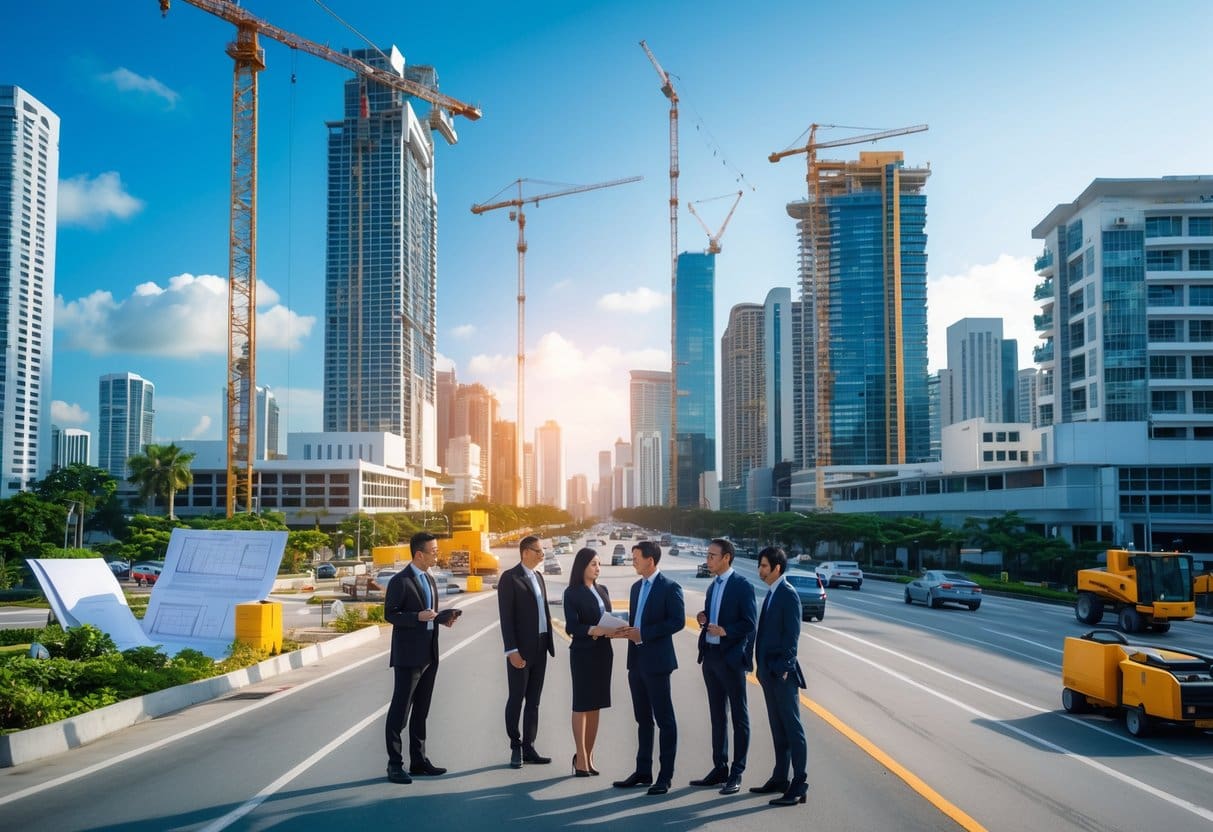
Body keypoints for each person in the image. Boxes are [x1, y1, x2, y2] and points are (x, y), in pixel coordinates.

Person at [384, 532, 458, 784]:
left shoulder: (429, 579)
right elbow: (391, 615)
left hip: (429, 654)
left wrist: (441, 618)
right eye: (434, 551)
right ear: (419, 554)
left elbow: (428, 614)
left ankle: (418, 760)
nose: (437, 554)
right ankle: (395, 764)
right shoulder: (400, 581)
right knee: (400, 712)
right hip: (408, 657)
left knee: (421, 711)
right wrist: (417, 617)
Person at [613, 539, 685, 796]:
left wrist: (644, 634)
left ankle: (665, 777)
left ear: (650, 560)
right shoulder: (635, 587)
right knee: (642, 719)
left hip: (657, 662)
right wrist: (623, 629)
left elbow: (677, 622)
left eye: (636, 557)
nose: (632, 561)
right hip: (636, 662)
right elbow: (636, 619)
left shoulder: (670, 587)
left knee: (664, 720)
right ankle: (643, 772)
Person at [690, 538, 756, 795]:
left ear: (726, 557)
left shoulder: (742, 586)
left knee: (739, 717)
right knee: (717, 716)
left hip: (731, 660)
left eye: (712, 555)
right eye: (707, 555)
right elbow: (711, 617)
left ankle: (736, 773)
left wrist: (726, 630)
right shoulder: (712, 587)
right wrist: (703, 619)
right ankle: (720, 768)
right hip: (711, 657)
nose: (708, 559)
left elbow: (749, 623)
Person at [751, 546, 808, 807]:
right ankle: (780, 778)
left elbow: (792, 636)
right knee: (778, 728)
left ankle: (799, 784)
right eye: (760, 565)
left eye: (764, 566)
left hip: (782, 675)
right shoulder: (773, 593)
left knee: (793, 729)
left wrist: (784, 669)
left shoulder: (787, 594)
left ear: (777, 568)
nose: (760, 570)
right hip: (768, 673)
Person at [498, 535, 556, 769]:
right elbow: (506, 618)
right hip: (520, 650)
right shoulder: (510, 578)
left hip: (541, 647)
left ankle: (529, 747)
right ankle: (515, 746)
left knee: (534, 701)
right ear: (525, 553)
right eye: (538, 551)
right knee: (516, 699)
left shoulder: (539, 577)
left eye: (543, 551)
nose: (542, 554)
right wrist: (511, 649)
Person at [563, 547, 621, 776]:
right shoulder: (572, 593)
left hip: (603, 652)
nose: (597, 568)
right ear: (582, 567)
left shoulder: (603, 590)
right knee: (582, 704)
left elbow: (609, 617)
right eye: (593, 564)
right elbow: (571, 626)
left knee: (596, 705)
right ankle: (580, 758)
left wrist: (616, 629)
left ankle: (589, 754)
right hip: (583, 653)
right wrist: (593, 629)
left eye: (599, 564)